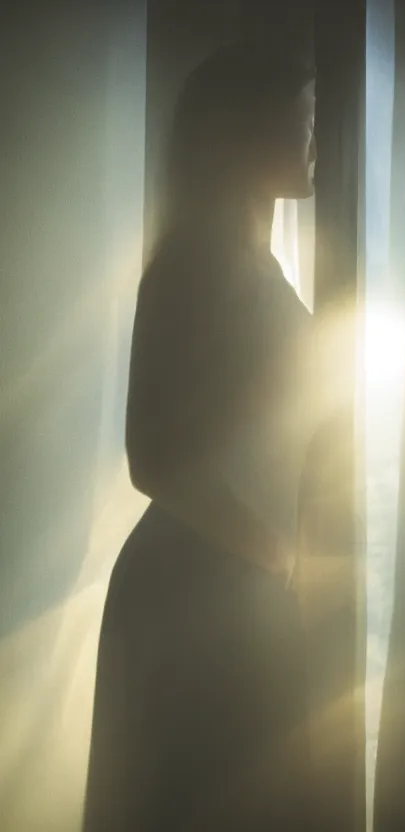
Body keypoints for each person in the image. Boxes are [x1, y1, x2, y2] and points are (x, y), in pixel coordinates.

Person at [83, 41, 320, 831]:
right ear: (247, 131)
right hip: (191, 592)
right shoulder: (191, 264)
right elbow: (151, 455)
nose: (313, 134)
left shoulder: (255, 264)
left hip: (234, 583)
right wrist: (272, 551)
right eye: (301, 116)